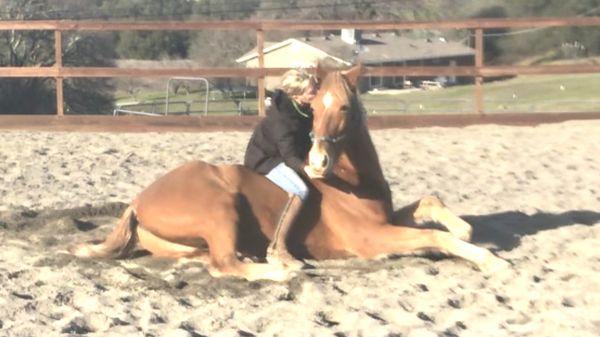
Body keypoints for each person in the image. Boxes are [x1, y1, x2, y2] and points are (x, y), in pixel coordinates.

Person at [244, 69, 318, 269]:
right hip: (266, 160)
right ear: (297, 94)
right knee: (300, 190)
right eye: (312, 90)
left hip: (286, 154)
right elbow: (289, 156)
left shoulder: (303, 108)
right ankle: (277, 249)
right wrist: (306, 169)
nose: (316, 92)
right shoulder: (283, 120)